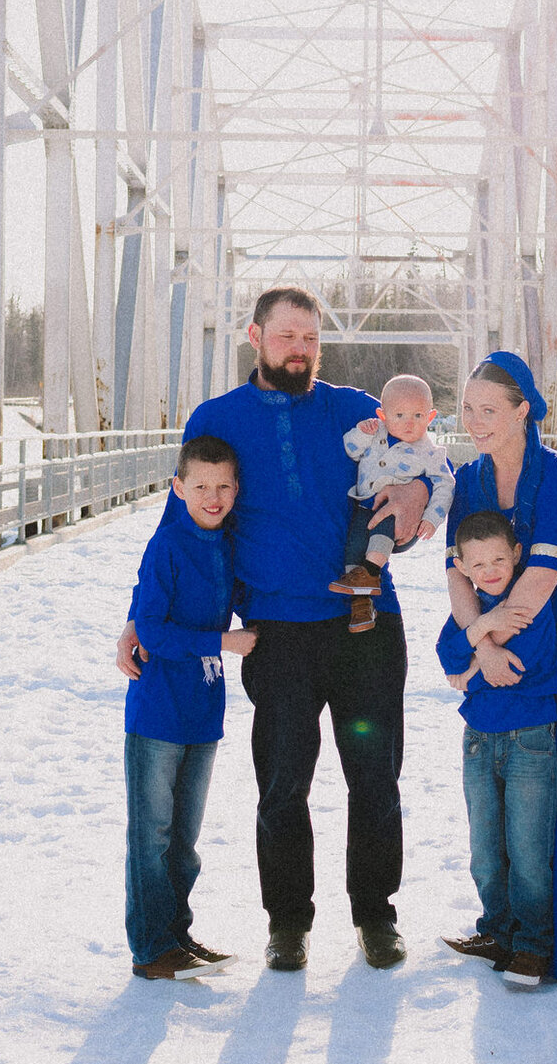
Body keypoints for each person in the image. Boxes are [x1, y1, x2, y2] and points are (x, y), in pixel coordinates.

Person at [115, 287, 433, 975]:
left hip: (367, 624)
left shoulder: (357, 412)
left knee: (374, 776)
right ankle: (288, 922)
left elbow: (427, 460)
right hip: (276, 633)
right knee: (282, 782)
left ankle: (376, 914)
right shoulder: (217, 419)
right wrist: (140, 615)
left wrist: (419, 494)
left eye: (311, 338)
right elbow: (185, 526)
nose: (301, 349)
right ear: (254, 336)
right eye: (288, 335)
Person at [446, 351, 557, 991]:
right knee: (509, 799)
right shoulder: (468, 480)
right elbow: (455, 573)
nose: (473, 421)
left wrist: (486, 638)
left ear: (523, 412)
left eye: (488, 410)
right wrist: (476, 642)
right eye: (466, 409)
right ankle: (506, 929)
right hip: (492, 632)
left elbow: (540, 582)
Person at [122, 436, 260, 981]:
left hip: (202, 712)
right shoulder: (168, 545)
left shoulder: (227, 544)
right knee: (151, 834)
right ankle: (151, 949)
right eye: (200, 485)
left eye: (224, 486)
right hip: (158, 712)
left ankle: (177, 936)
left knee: (184, 838)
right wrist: (222, 642)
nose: (213, 496)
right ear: (178, 489)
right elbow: (150, 627)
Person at [436, 511, 557, 988]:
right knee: (485, 849)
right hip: (478, 741)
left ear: (515, 555)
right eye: (478, 563)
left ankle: (532, 946)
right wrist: (480, 631)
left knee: (528, 848)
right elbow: (444, 656)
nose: (490, 570)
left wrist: (471, 664)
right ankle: (496, 930)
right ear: (463, 568)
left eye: (498, 559)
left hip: (530, 739)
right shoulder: (471, 609)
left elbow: (511, 666)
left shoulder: (529, 604)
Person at [328, 373, 455, 634]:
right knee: (353, 547)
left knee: (384, 527)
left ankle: (372, 570)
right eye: (399, 416)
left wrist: (432, 517)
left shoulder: (430, 452)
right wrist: (362, 434)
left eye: (418, 416)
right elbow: (350, 449)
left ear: (430, 417)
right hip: (364, 504)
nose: (409, 424)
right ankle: (360, 603)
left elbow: (446, 483)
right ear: (383, 414)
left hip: (396, 515)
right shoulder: (376, 434)